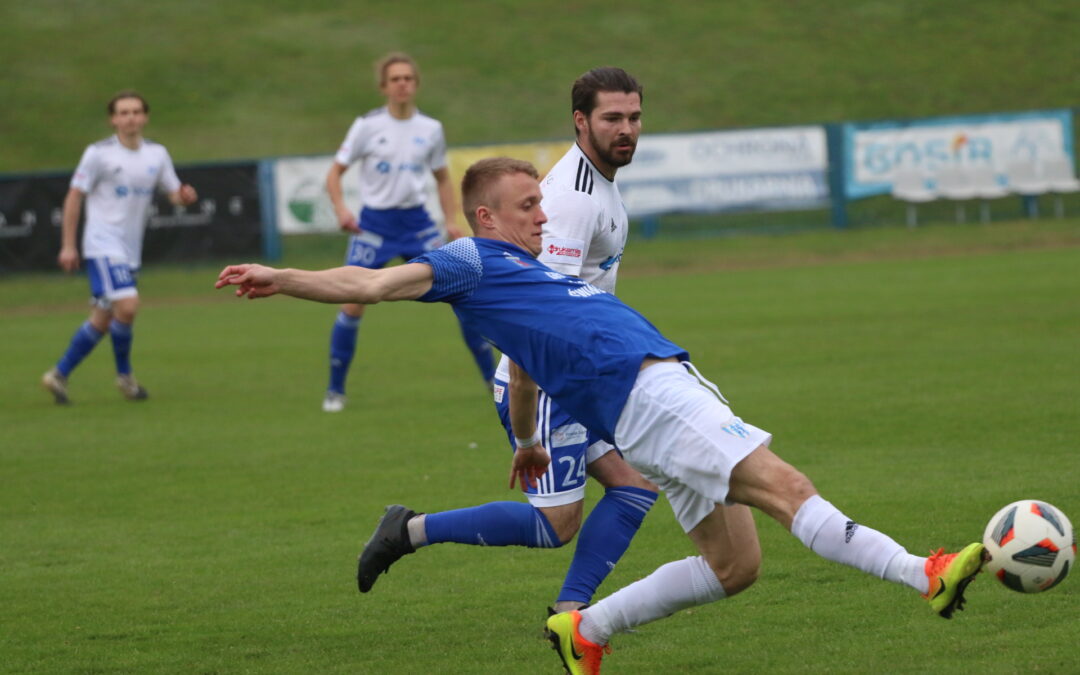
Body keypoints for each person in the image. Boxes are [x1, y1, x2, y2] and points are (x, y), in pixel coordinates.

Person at [216, 157, 985, 675]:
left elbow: (523, 368)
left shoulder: (524, 278)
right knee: (786, 488)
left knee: (735, 566)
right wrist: (280, 276)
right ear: (485, 216)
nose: (542, 215)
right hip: (645, 392)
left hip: (650, 395)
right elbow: (371, 284)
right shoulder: (471, 259)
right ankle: (924, 573)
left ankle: (584, 629)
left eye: (542, 203)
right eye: (527, 206)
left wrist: (526, 439)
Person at [354, 67, 662, 618]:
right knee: (555, 525)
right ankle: (410, 530)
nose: (626, 129)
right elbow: (538, 312)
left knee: (635, 486)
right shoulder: (573, 199)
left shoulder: (599, 184)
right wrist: (529, 406)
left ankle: (569, 613)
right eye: (613, 118)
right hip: (548, 380)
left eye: (634, 117)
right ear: (581, 121)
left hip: (579, 374)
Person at [321, 51, 493, 412]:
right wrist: (341, 209)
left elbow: (442, 178)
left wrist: (450, 220)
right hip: (374, 226)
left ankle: (491, 380)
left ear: (416, 84)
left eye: (408, 78)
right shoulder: (367, 126)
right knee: (353, 300)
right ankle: (335, 391)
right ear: (384, 86)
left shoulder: (430, 129)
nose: (402, 84)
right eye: (395, 79)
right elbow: (334, 173)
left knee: (464, 291)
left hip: (417, 225)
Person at [41, 90, 198, 405]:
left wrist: (183, 197)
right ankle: (125, 378)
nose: (131, 118)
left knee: (102, 319)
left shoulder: (157, 154)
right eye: (124, 113)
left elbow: (172, 192)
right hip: (102, 243)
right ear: (113, 119)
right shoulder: (98, 154)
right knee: (127, 306)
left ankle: (58, 374)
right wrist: (68, 245)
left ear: (145, 117)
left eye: (136, 112)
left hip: (129, 250)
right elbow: (74, 196)